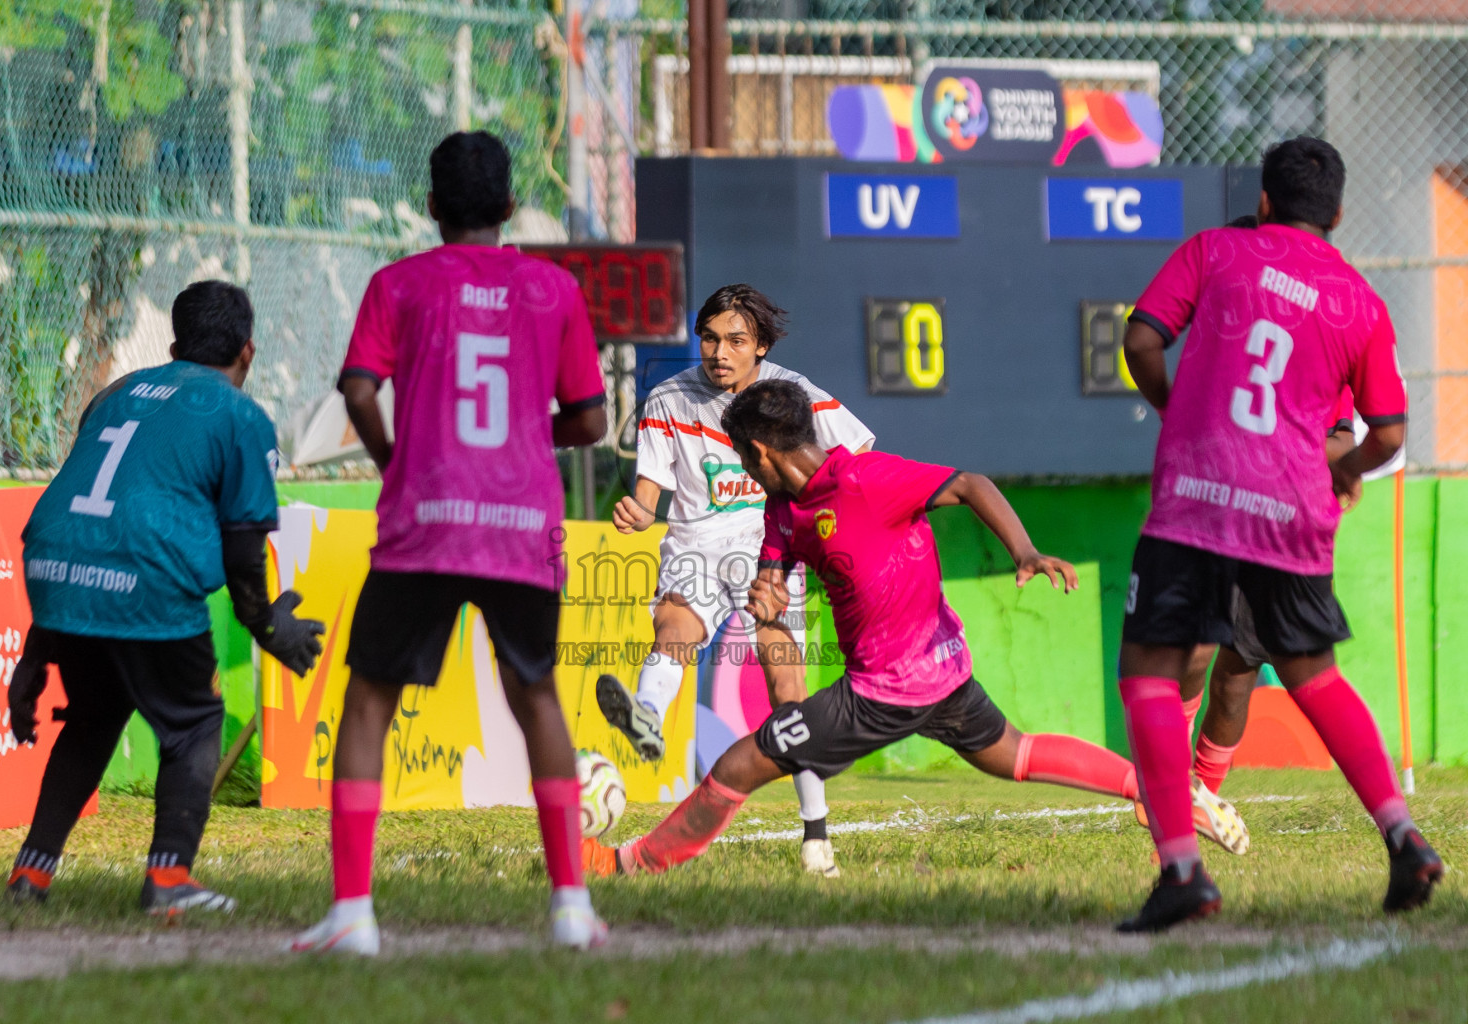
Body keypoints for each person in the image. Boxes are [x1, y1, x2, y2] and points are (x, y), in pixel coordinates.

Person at [581, 380, 1245, 880]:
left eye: (744, 462)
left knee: (739, 763)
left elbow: (969, 484)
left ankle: (622, 866)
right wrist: (766, 597)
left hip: (884, 692)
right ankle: (1165, 789)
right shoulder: (784, 511)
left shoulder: (867, 479)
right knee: (1014, 754)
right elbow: (774, 577)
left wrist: (1025, 552)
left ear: (759, 451)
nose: (746, 476)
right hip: (941, 672)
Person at [291, 131, 609, 956]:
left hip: (423, 519)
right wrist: (523, 435)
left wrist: (397, 459)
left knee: (368, 701)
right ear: (510, 207)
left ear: (429, 206)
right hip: (520, 522)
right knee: (537, 697)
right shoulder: (553, 289)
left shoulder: (397, 284)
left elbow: (358, 390)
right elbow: (592, 419)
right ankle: (571, 904)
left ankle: (354, 915)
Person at [1115, 136, 1440, 933]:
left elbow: (1141, 340)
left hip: (1196, 492)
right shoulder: (1360, 299)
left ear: (1263, 200)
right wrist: (1345, 467)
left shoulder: (1215, 250)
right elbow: (1392, 432)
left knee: (1149, 674)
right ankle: (1402, 836)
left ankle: (1182, 869)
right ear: (1335, 213)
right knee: (1313, 674)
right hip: (1291, 506)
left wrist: (1177, 412)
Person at [4, 280, 326, 916]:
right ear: (249, 351)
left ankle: (31, 873)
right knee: (194, 725)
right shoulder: (241, 418)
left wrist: (33, 656)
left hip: (54, 561)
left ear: (175, 344)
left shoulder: (116, 393)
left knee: (95, 715)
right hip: (144, 568)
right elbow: (241, 553)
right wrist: (266, 628)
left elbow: (85, 520)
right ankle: (170, 880)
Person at [595, 284, 875, 877]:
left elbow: (858, 454)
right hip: (694, 541)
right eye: (710, 338)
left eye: (736, 341)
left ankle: (815, 830)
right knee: (674, 624)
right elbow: (649, 492)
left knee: (783, 681)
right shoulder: (668, 397)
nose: (719, 351)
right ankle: (646, 715)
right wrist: (639, 513)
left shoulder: (792, 396)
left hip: (766, 539)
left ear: (761, 347)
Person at [1174, 390, 1356, 807]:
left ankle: (1200, 803)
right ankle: (1169, 766)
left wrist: (1282, 450)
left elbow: (1344, 440)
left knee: (1235, 679)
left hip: (1284, 531)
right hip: (1219, 510)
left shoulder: (1324, 349)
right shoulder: (1234, 338)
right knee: (1192, 646)